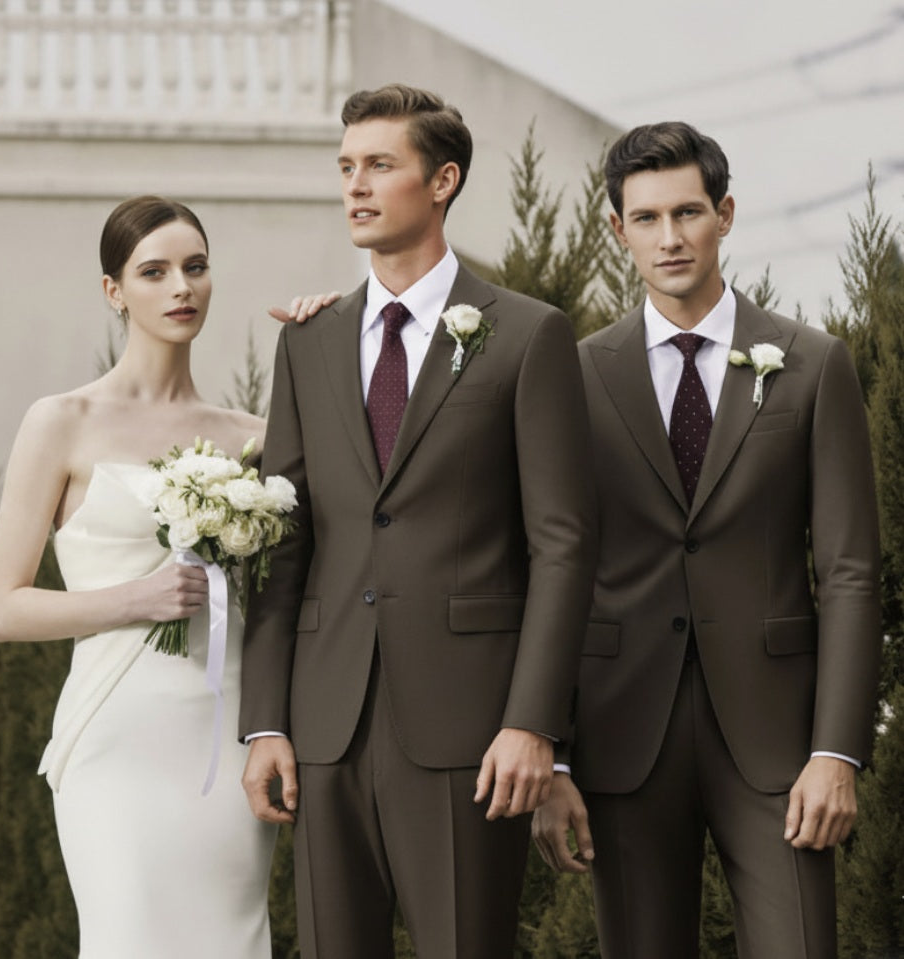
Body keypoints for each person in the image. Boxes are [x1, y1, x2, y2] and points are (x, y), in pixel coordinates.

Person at [240, 83, 597, 958]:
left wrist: (534, 725)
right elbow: (284, 541)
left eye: (379, 166)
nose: (355, 186)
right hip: (326, 725)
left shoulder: (525, 336)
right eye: (346, 168)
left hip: (471, 728)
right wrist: (266, 722)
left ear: (441, 181)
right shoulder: (308, 341)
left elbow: (561, 545)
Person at [531, 122, 882, 959]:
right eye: (645, 218)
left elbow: (847, 570)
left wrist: (836, 749)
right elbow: (547, 559)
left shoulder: (809, 363)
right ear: (616, 230)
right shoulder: (572, 375)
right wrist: (554, 753)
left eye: (686, 212)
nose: (668, 236)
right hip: (622, 728)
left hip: (778, 740)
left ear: (723, 214)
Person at [0, 195, 276, 959]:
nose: (181, 287)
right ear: (114, 290)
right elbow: (1, 608)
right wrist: (134, 599)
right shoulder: (61, 422)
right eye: (155, 271)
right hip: (116, 740)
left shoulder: (252, 438)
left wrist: (322, 334)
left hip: (225, 737)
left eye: (196, 268)